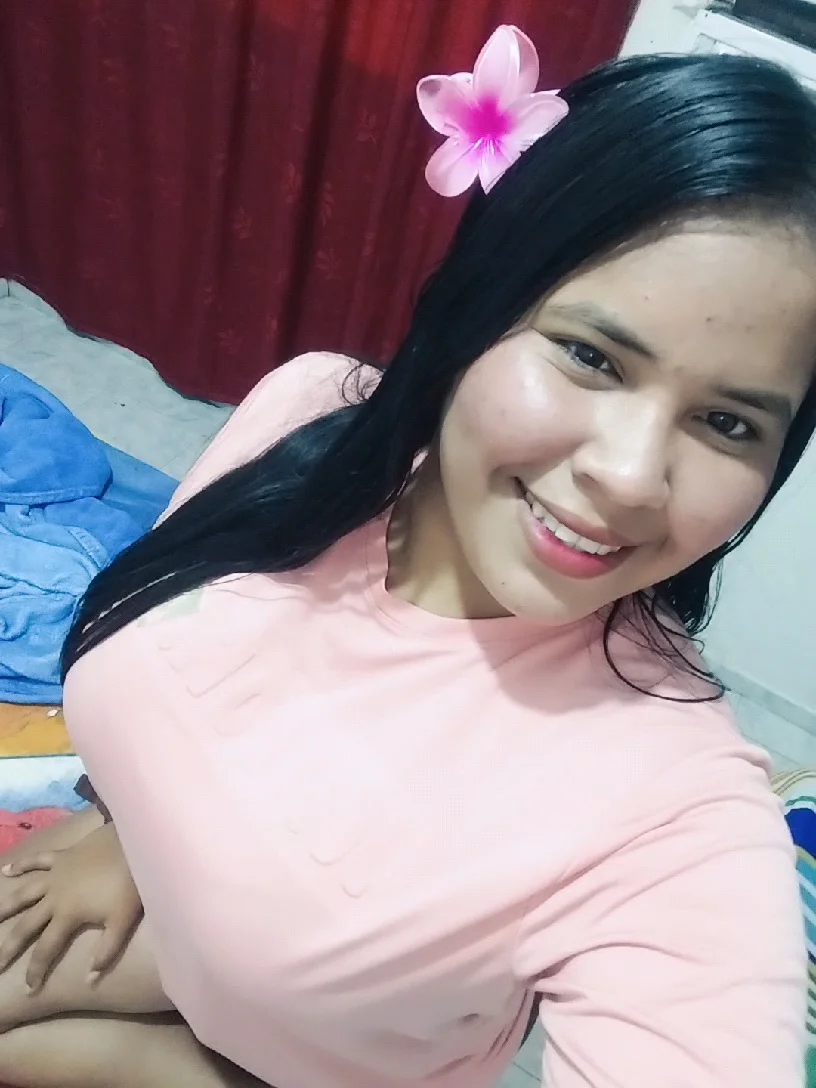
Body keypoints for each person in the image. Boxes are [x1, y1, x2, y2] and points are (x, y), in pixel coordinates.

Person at [0, 30, 814, 1088]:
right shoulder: (310, 417)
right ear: (479, 304)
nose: (628, 476)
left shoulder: (671, 816)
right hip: (167, 926)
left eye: (728, 422)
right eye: (591, 355)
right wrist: (120, 827)